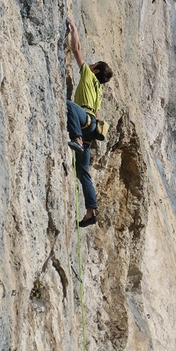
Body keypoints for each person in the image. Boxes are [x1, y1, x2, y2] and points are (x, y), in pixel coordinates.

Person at [66, 17, 113, 227]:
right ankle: (91, 211)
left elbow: (76, 49)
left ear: (94, 70)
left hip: (83, 121)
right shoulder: (100, 90)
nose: (89, 64)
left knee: (67, 104)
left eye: (93, 64)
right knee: (83, 172)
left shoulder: (88, 75)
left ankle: (75, 136)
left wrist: (74, 28)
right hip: (92, 126)